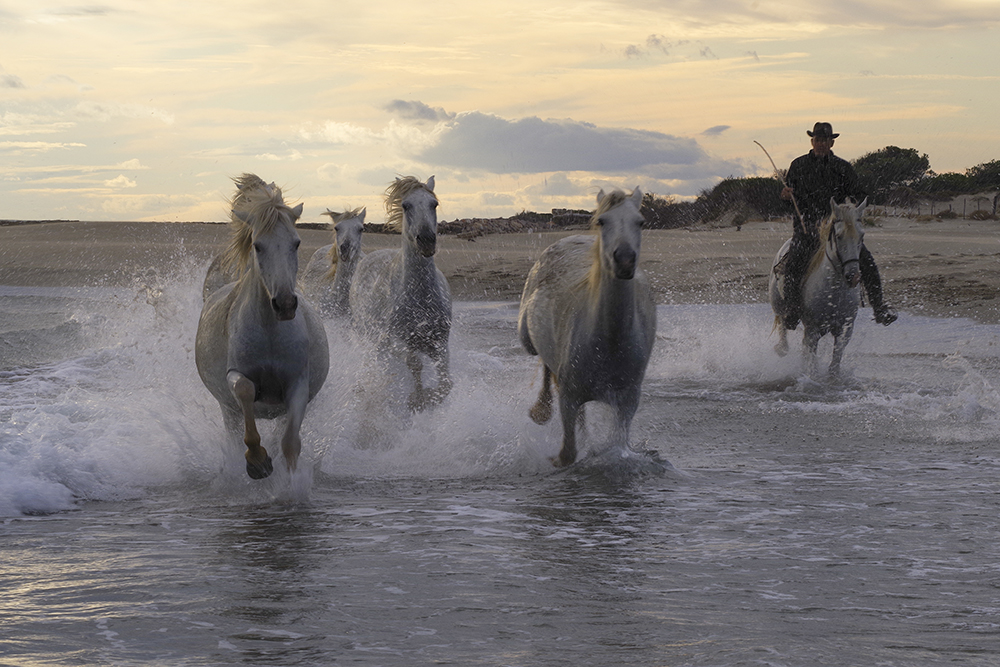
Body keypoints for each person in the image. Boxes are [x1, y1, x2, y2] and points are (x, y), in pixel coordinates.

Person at [779, 122, 897, 328]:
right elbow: (787, 199)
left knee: (866, 260)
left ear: (832, 142)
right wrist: (785, 196)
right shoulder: (798, 165)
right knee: (794, 263)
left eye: (825, 140)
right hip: (807, 228)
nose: (822, 144)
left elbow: (860, 194)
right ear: (812, 141)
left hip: (837, 228)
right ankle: (792, 309)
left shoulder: (843, 167)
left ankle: (879, 308)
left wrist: (850, 206)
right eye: (818, 140)